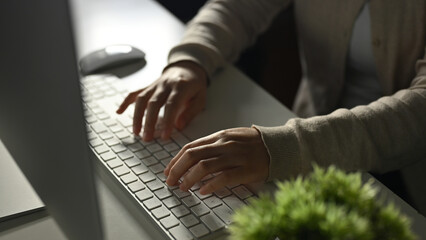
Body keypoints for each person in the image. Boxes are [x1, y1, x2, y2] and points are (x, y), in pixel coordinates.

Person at [117, 0, 426, 208]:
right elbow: (237, 8)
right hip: (305, 132)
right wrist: (190, 61)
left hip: (407, 179)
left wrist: (284, 148)